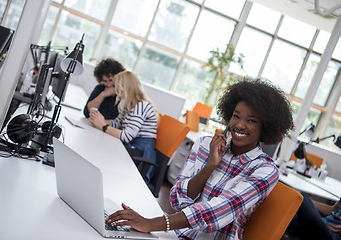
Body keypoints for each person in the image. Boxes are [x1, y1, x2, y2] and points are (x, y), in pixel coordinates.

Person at [105, 78, 294, 239]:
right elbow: (177, 199)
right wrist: (211, 164)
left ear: (266, 127)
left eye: (251, 120)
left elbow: (217, 211)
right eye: (236, 116)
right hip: (177, 233)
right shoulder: (205, 145)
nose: (240, 125)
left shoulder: (265, 170)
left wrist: (150, 224)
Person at [89, 71, 158, 181]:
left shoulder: (141, 106)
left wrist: (102, 125)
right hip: (132, 146)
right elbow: (118, 123)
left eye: (115, 86)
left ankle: (97, 179)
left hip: (141, 152)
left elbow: (126, 136)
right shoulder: (129, 105)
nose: (114, 89)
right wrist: (99, 120)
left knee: (104, 149)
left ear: (124, 88)